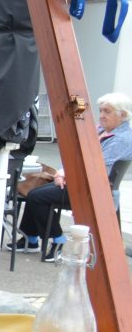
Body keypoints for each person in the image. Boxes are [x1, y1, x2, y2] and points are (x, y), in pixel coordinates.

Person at [16, 92, 132, 260]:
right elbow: (76, 153)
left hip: (93, 190)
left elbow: (96, 168)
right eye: (101, 110)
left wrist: (66, 175)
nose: (101, 115)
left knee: (37, 196)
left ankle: (58, 240)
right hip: (79, 182)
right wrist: (62, 173)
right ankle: (31, 239)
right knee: (34, 189)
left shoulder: (122, 139)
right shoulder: (101, 130)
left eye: (107, 111)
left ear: (123, 115)